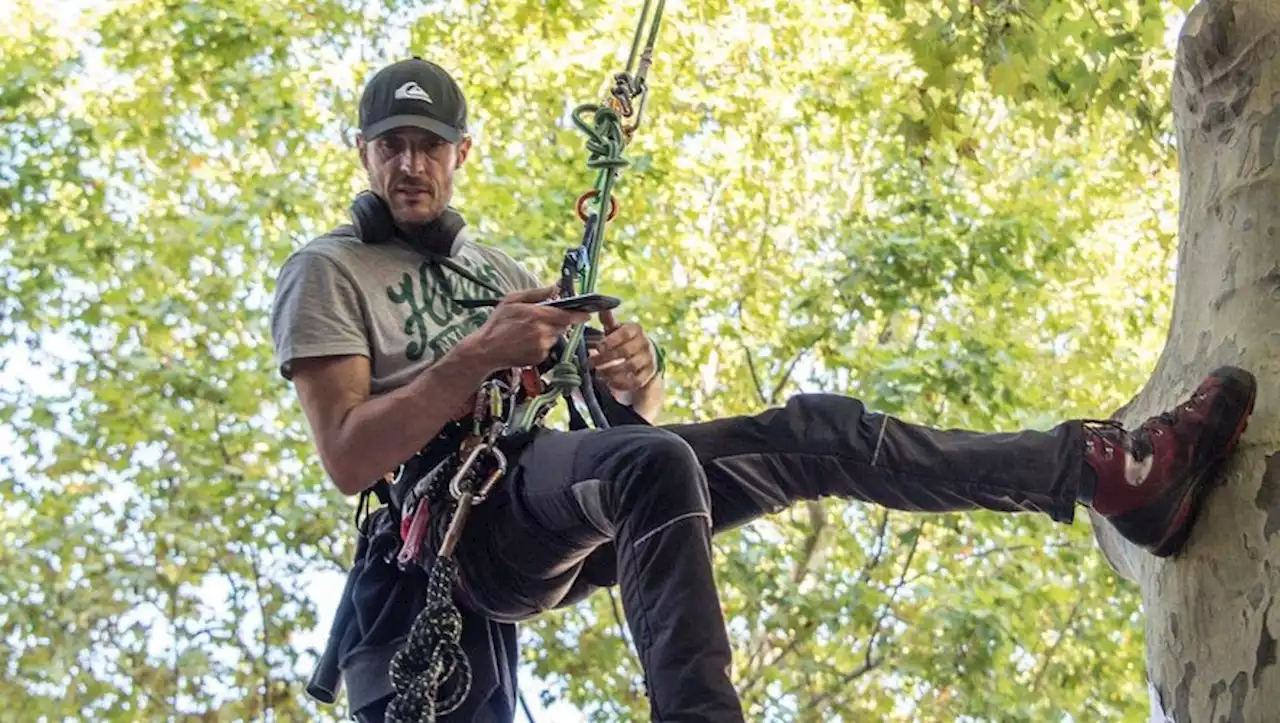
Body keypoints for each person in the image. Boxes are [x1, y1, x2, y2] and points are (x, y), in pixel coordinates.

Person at [270, 58, 1258, 723]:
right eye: (389, 143)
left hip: (554, 498)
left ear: (459, 154)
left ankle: (1106, 473)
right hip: (455, 526)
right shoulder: (329, 268)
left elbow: (615, 438)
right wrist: (474, 359)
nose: (408, 162)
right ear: (362, 153)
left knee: (813, 435)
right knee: (650, 463)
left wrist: (628, 376)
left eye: (427, 143)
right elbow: (350, 456)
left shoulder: (496, 264)